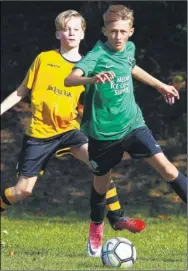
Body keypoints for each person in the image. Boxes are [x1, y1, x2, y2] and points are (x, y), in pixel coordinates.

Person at [0, 10, 145, 234]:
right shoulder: (44, 59)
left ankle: (116, 217)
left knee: (101, 166)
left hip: (69, 130)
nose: (71, 33)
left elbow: (99, 100)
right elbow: (21, 92)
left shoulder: (90, 64)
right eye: (66, 29)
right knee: (23, 191)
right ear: (58, 34)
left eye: (76, 29)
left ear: (83, 33)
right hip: (40, 135)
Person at [64, 5, 187, 257]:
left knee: (168, 169)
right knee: (102, 184)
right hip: (103, 135)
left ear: (130, 31)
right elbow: (70, 78)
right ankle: (96, 226)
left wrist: (161, 85)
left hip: (133, 125)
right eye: (113, 32)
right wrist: (91, 79)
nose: (118, 37)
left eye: (123, 31)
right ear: (104, 31)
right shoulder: (97, 55)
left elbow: (131, 67)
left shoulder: (128, 49)